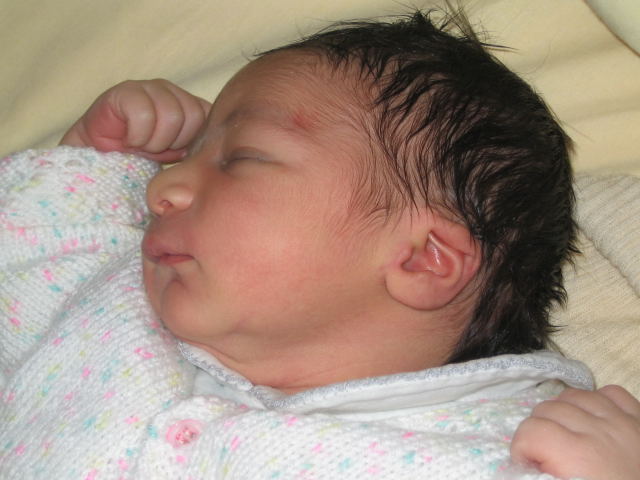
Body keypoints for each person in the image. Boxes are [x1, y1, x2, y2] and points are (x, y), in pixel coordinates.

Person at [1, 10, 639, 480]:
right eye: (186, 156)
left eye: (242, 158)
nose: (162, 186)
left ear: (421, 259)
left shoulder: (503, 452)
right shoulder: (116, 311)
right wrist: (93, 164)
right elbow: (30, 261)